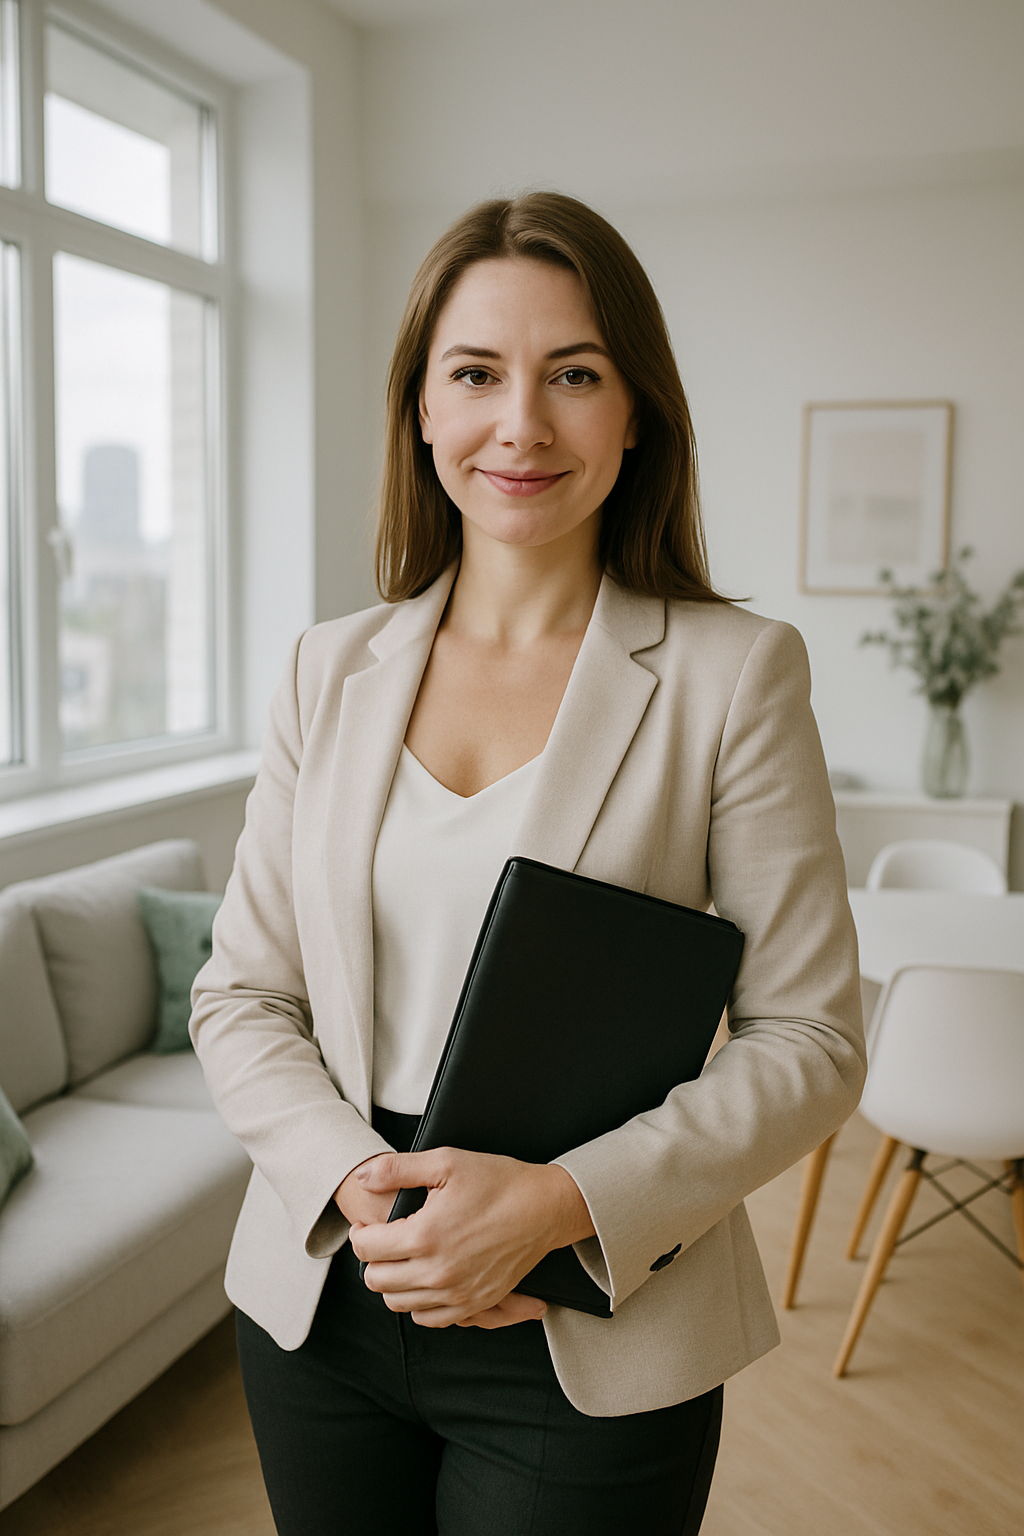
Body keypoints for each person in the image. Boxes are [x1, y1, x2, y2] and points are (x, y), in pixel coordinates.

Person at [190, 192, 865, 1535]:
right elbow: (240, 997)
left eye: (574, 375)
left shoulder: (734, 677)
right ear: (422, 410)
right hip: (327, 1287)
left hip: (596, 1323)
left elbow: (813, 1043)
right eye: (477, 374)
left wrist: (557, 1205)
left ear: (636, 412)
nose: (522, 424)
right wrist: (355, 1186)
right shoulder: (329, 672)